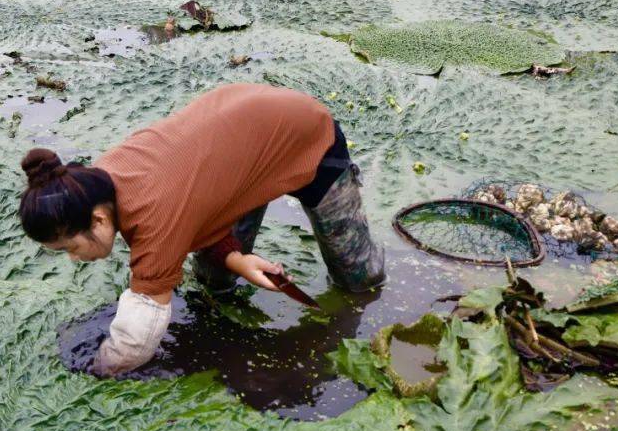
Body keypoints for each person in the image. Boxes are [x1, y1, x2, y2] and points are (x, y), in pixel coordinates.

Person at [19, 83, 384, 376]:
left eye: (68, 247)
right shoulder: (93, 183)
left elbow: (136, 341)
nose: (72, 258)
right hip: (240, 151)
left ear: (98, 220)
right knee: (214, 281)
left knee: (359, 278)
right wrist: (239, 261)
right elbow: (195, 206)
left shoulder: (152, 217)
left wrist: (98, 370)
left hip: (302, 133)